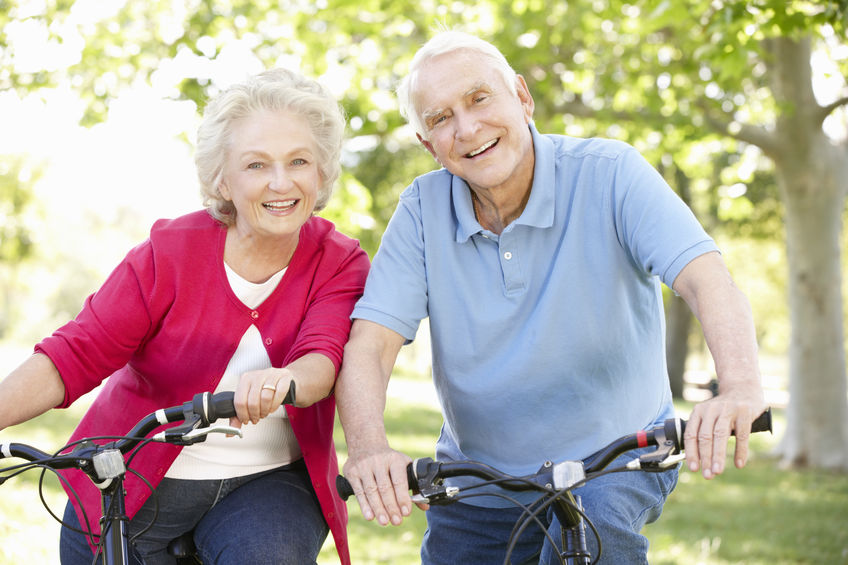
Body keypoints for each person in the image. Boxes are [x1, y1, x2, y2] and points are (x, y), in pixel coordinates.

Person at [336, 30, 766, 564]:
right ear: (429, 145)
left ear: (522, 96)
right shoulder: (421, 212)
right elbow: (370, 346)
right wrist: (370, 448)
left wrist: (740, 386)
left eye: (479, 99)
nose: (467, 128)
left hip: (615, 460)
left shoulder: (611, 173)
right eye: (440, 119)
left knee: (591, 537)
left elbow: (708, 281)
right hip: (480, 472)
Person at [0, 67, 369, 565]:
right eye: (256, 165)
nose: (281, 183)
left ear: (321, 171)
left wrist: (284, 380)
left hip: (270, 482)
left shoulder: (340, 260)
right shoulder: (167, 253)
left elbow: (321, 360)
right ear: (222, 178)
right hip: (132, 476)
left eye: (298, 161)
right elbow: (74, 355)